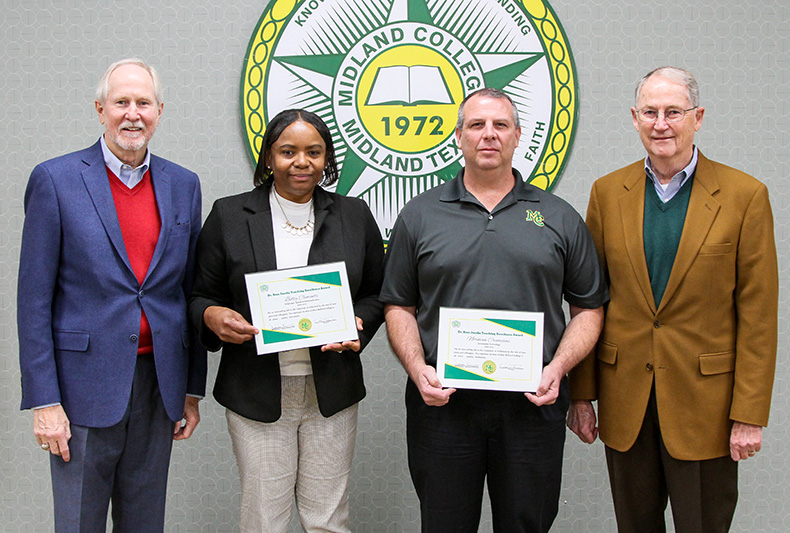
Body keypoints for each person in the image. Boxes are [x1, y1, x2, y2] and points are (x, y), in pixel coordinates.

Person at [380, 88, 607, 532]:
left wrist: (558, 368)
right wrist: (415, 367)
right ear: (459, 137)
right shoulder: (419, 215)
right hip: (443, 404)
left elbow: (589, 310)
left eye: (500, 125)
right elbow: (398, 305)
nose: (489, 135)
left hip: (532, 405)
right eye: (477, 125)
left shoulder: (557, 216)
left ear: (518, 136)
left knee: (527, 524)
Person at [568, 66, 779, 532]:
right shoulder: (607, 193)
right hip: (627, 405)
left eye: (673, 112)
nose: (661, 123)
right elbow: (589, 301)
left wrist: (748, 415)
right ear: (635, 117)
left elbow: (759, 316)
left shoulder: (745, 196)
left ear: (698, 117)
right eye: (650, 112)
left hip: (706, 407)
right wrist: (581, 395)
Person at [17, 58, 206, 531]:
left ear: (160, 111)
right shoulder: (56, 180)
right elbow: (33, 301)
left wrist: (190, 388)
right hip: (81, 390)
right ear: (100, 109)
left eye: (143, 103)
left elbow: (190, 292)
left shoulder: (183, 185)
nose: (132, 113)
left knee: (145, 523)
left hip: (158, 385)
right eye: (121, 102)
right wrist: (45, 402)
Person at [189, 108, 384, 532]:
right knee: (264, 520)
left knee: (329, 519)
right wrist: (212, 315)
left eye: (314, 152)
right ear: (268, 159)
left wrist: (358, 325)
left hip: (331, 389)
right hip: (256, 390)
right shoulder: (229, 216)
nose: (301, 162)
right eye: (288, 151)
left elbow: (376, 293)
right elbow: (199, 294)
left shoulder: (354, 215)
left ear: (327, 159)